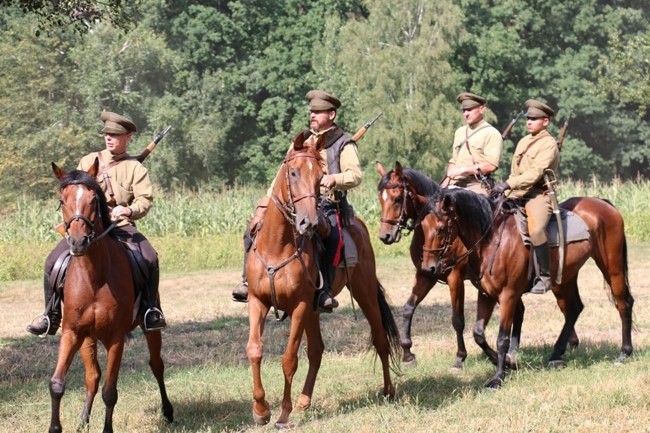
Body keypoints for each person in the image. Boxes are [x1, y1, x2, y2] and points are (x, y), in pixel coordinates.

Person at [27, 111, 167, 335]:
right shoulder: (88, 161)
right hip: (86, 228)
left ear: (128, 137)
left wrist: (129, 209)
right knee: (52, 261)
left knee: (150, 256)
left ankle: (150, 310)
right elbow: (75, 192)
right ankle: (51, 315)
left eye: (115, 134)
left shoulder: (135, 168)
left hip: (120, 227)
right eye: (107, 134)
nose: (109, 138)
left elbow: (145, 200)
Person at [232, 90, 362, 313]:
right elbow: (281, 175)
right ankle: (247, 282)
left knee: (331, 235)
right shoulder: (301, 143)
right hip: (294, 204)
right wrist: (266, 202)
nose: (312, 115)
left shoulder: (344, 143)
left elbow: (355, 175)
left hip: (327, 203)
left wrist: (334, 179)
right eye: (311, 111)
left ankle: (324, 292)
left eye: (318, 112)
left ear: (331, 114)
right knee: (253, 228)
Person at [491, 99, 560, 294]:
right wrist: (505, 190)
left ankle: (545, 277)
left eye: (534, 119)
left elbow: (535, 174)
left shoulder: (548, 144)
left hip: (538, 194)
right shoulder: (523, 141)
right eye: (528, 118)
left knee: (537, 230)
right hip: (516, 192)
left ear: (545, 122)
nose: (529, 122)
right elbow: (516, 171)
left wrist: (508, 184)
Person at [442, 92, 503, 195]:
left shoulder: (492, 133)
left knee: (476, 208)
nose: (466, 114)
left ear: (481, 109)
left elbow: (491, 165)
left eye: (469, 110)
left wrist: (465, 170)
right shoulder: (460, 132)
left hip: (477, 183)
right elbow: (454, 160)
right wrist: (447, 179)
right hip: (455, 181)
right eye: (464, 110)